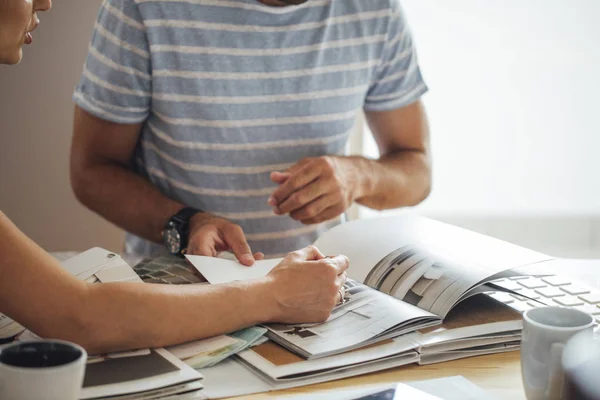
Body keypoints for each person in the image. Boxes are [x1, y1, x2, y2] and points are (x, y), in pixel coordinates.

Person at [0, 0, 349, 354]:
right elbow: (80, 317)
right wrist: (275, 294)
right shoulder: (139, 8)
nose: (45, 2)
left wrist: (357, 176)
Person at [70, 0, 432, 265]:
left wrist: (358, 176)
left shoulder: (377, 11)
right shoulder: (141, 7)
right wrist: (186, 224)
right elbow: (92, 169)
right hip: (179, 288)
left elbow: (417, 171)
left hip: (318, 289)